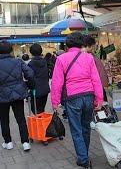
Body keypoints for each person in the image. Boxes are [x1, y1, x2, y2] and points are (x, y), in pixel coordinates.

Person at [51, 32, 103, 169]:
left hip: (73, 98)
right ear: (82, 43)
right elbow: (96, 79)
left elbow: (57, 83)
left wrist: (55, 102)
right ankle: (84, 154)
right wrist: (99, 98)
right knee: (86, 127)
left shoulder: (61, 59)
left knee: (76, 129)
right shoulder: (89, 57)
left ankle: (83, 159)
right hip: (88, 96)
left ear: (67, 45)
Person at [0, 41, 34, 151]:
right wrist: (27, 85)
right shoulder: (18, 61)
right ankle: (25, 143)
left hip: (2, 96)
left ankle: (8, 142)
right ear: (11, 50)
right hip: (18, 95)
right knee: (21, 119)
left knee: (4, 120)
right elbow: (30, 74)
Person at [84, 35, 109, 102]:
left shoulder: (91, 55)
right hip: (94, 88)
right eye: (93, 46)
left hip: (97, 86)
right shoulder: (88, 57)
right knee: (100, 108)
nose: (93, 48)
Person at [28, 44, 50, 114]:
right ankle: (42, 123)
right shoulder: (45, 61)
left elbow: (29, 77)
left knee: (35, 110)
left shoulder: (31, 64)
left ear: (31, 52)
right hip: (45, 89)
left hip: (35, 90)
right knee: (41, 109)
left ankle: (40, 124)